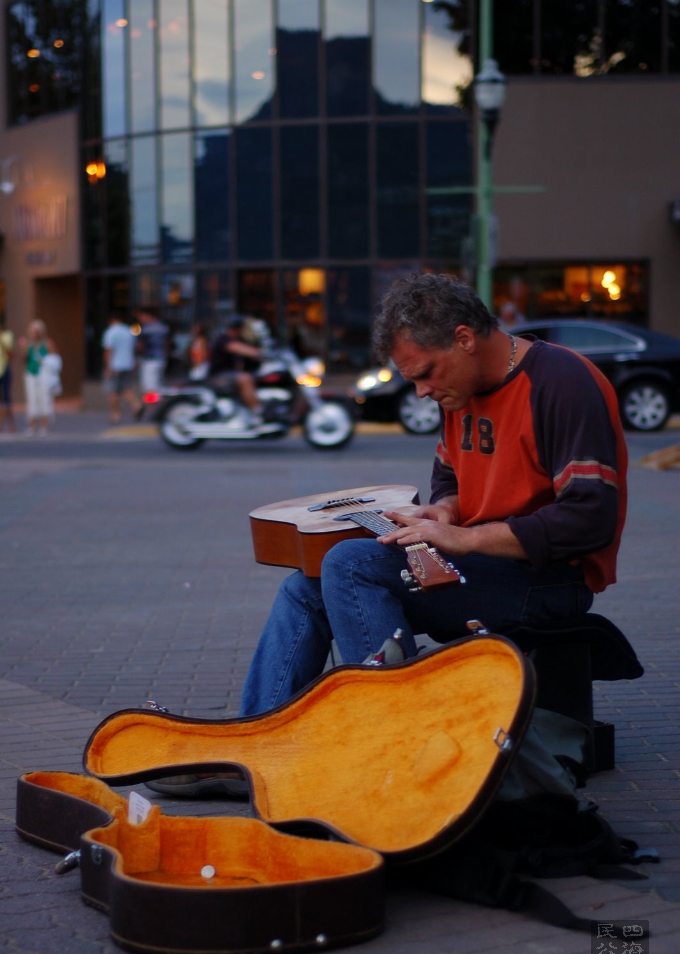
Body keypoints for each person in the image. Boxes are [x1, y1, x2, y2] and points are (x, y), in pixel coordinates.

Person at [147, 273, 627, 797]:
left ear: (464, 338)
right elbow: (449, 480)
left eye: (425, 373)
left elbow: (589, 517)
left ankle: (391, 749)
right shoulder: (459, 391)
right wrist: (443, 512)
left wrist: (465, 539)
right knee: (305, 588)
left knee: (350, 564)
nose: (421, 392)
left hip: (550, 579)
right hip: (487, 568)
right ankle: (257, 753)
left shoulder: (563, 382)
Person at [208, 314, 265, 426]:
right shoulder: (224, 339)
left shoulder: (237, 339)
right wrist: (261, 353)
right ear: (238, 328)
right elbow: (241, 349)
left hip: (228, 376)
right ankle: (258, 412)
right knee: (245, 378)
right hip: (219, 377)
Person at [20, 319, 59, 436]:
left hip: (44, 376)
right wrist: (23, 348)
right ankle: (32, 426)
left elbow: (55, 359)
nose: (35, 333)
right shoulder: (29, 344)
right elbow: (24, 360)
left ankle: (44, 426)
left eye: (37, 331)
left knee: (45, 399)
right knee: (32, 400)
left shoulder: (47, 343)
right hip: (31, 374)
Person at [102, 314, 142, 422]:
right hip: (128, 364)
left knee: (112, 391)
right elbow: (135, 348)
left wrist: (107, 367)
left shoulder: (111, 332)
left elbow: (108, 351)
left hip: (115, 365)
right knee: (125, 388)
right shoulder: (129, 331)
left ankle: (116, 415)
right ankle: (137, 405)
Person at [136, 307, 169, 394]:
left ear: (148, 316)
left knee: (149, 387)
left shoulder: (146, 329)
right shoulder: (163, 327)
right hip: (161, 358)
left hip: (149, 359)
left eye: (141, 316)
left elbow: (140, 345)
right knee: (158, 385)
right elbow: (167, 344)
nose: (140, 319)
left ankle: (154, 406)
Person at [0, 322, 15, 433]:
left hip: (4, 369)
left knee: (6, 398)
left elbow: (10, 354)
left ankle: (11, 425)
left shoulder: (7, 336)